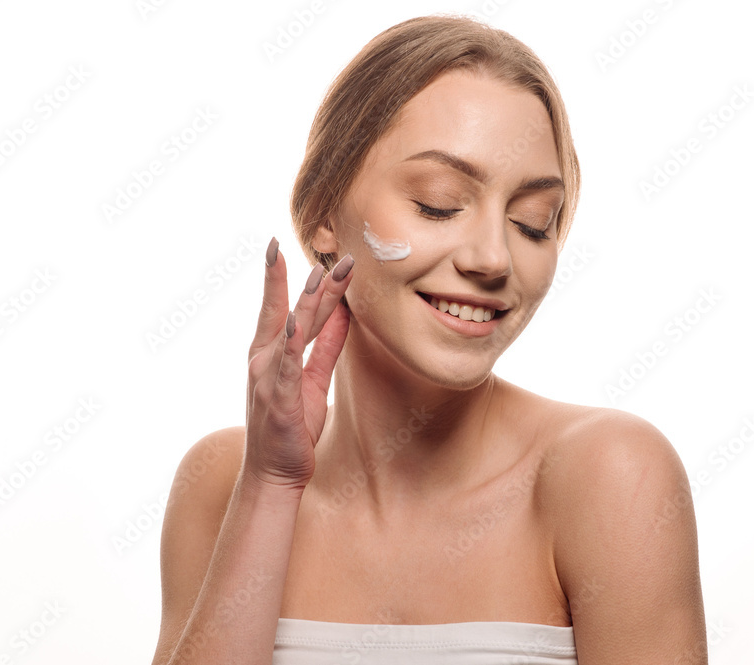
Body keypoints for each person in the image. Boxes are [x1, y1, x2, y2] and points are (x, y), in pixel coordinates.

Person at [150, 14, 706, 665]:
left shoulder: (609, 476)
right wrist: (270, 488)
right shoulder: (222, 483)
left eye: (533, 222)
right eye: (440, 203)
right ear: (326, 215)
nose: (493, 257)